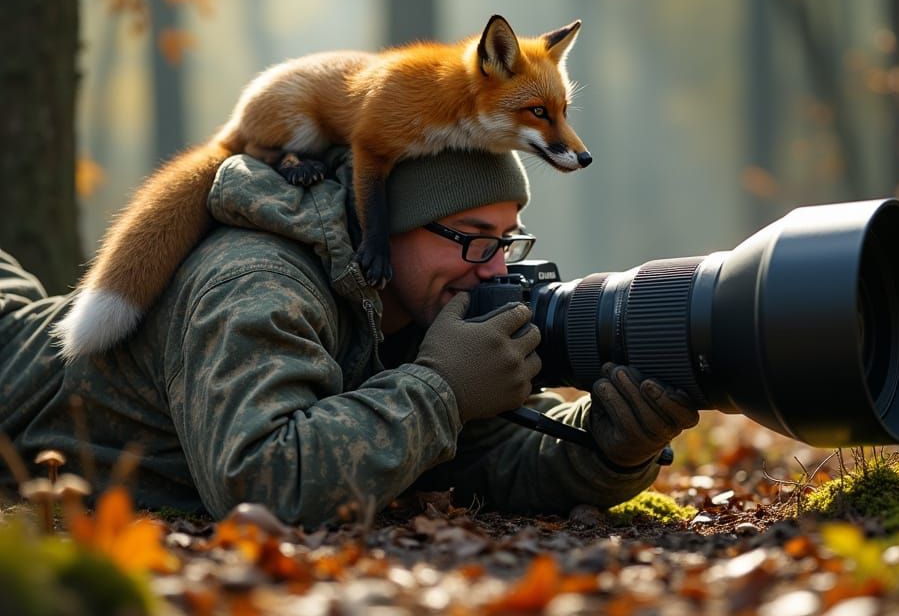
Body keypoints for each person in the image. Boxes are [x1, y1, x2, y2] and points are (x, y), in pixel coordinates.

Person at [0, 148, 698, 526]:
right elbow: (261, 483)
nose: (493, 268)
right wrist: (442, 391)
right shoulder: (259, 281)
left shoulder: (401, 303)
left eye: (506, 242)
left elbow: (481, 460)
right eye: (472, 240)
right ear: (385, 227)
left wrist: (608, 446)